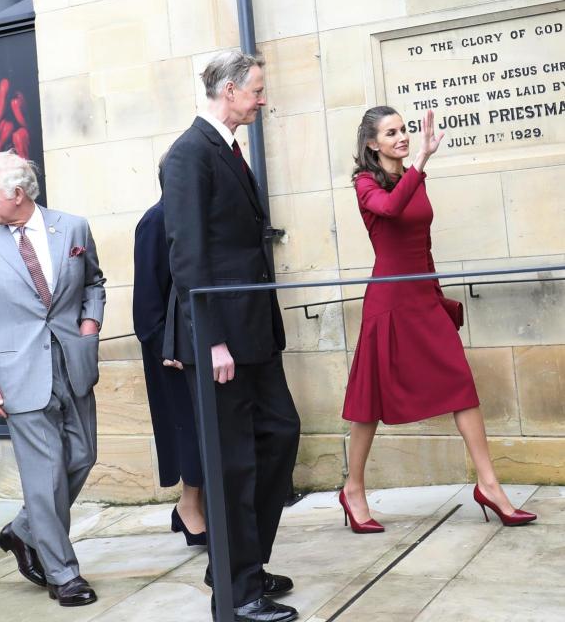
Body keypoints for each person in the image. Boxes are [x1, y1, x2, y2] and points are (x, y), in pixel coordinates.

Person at [340, 106, 537, 533]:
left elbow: (422, 243)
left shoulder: (412, 176)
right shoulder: (365, 183)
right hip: (389, 300)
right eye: (391, 133)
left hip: (422, 296)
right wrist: (424, 161)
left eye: (404, 129)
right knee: (369, 401)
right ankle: (353, 489)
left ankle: (490, 486)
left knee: (460, 384)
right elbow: (390, 210)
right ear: (373, 143)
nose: (402, 137)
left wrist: (436, 293)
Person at [163, 51, 301, 622]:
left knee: (281, 436)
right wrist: (211, 340)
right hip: (222, 340)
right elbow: (189, 257)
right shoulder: (188, 155)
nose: (263, 99)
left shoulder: (228, 149)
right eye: (257, 90)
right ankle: (237, 593)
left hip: (256, 335)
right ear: (227, 91)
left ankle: (241, 561)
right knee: (233, 464)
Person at [0, 151, 105, 607]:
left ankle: (23, 530)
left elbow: (94, 283)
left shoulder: (73, 228)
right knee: (45, 477)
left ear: (18, 193)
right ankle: (64, 574)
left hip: (72, 365)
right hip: (16, 375)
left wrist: (89, 326)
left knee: (82, 456)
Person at [133, 157, 205, 547]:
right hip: (170, 351)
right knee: (188, 434)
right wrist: (167, 346)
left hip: (197, 343)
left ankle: (196, 507)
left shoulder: (193, 218)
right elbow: (146, 299)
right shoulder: (155, 221)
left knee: (205, 433)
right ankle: (188, 507)